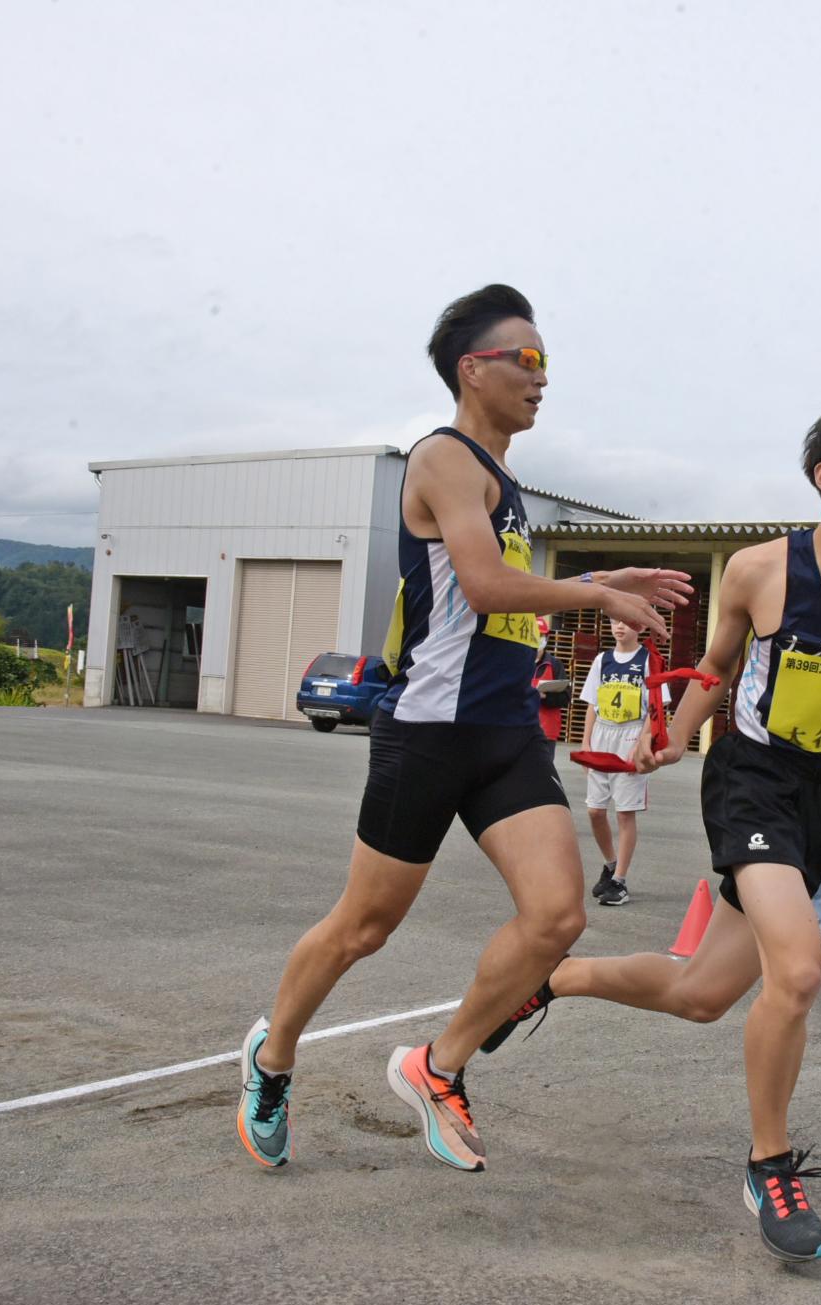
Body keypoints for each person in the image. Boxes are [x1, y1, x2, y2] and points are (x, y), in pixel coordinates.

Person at [479, 400, 821, 1262]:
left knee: (703, 994)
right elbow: (716, 665)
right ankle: (768, 1164)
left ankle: (553, 981)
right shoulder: (756, 569)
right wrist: (674, 729)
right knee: (803, 964)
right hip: (751, 779)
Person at [235, 284, 691, 1174]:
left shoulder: (505, 484)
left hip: (506, 733)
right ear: (471, 367)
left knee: (557, 916)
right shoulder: (441, 457)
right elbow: (482, 586)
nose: (542, 378)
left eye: (546, 361)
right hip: (430, 733)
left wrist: (611, 568)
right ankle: (272, 1053)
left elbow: (502, 591)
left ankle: (437, 1066)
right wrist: (598, 593)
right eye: (528, 359)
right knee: (363, 927)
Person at [577, 616, 661, 907]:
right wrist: (586, 741)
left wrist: (643, 741)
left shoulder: (648, 660)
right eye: (615, 621)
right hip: (603, 734)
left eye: (627, 621)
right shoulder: (602, 660)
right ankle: (610, 864)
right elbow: (592, 703)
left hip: (631, 735)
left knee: (625, 813)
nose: (620, 626)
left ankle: (620, 881)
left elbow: (656, 707)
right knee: (594, 811)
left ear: (640, 625)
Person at [534, 619, 570, 741]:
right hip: (519, 728)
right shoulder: (518, 663)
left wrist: (545, 697)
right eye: (533, 634)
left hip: (546, 732)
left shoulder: (554, 665)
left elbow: (566, 697)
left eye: (540, 635)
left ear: (546, 638)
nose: (537, 639)